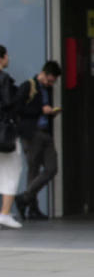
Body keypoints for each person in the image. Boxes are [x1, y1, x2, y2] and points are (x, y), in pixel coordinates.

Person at [14, 61, 62, 221]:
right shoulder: (28, 86)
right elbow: (17, 109)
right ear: (44, 73)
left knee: (52, 167)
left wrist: (51, 113)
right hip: (31, 133)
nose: (50, 83)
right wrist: (41, 110)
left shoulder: (47, 89)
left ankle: (24, 198)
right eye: (49, 80)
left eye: (52, 82)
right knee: (33, 169)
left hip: (45, 132)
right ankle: (32, 208)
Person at [0, 45, 23, 229]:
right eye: (6, 55)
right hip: (4, 132)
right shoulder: (4, 79)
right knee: (12, 169)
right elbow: (8, 103)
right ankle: (5, 213)